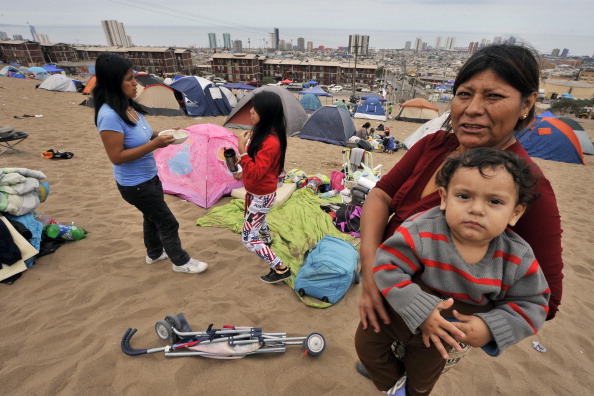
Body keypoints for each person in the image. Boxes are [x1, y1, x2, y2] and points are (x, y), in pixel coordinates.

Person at [356, 43, 563, 389]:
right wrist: (372, 272)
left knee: (419, 379)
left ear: (526, 104)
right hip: (390, 292)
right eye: (464, 94)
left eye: (493, 96)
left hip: (445, 326)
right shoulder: (435, 144)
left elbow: (547, 297)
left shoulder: (527, 186)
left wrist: (480, 324)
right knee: (372, 352)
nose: (473, 109)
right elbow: (380, 195)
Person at [356, 147, 550, 395]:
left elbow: (533, 304)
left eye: (495, 201)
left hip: (442, 336)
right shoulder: (423, 229)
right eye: (464, 196)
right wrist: (421, 308)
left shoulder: (516, 257)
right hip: (394, 314)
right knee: (366, 348)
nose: (477, 209)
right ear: (445, 198)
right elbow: (387, 264)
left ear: (515, 212)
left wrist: (490, 328)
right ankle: (392, 385)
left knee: (422, 381)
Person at [93, 53, 207, 274]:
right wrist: (155, 144)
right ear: (112, 82)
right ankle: (181, 262)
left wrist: (166, 135)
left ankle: (154, 254)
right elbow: (116, 156)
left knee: (151, 218)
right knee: (168, 223)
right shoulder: (108, 115)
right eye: (128, 79)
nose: (135, 83)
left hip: (149, 178)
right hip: (135, 185)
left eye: (133, 77)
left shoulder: (127, 106)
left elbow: (143, 133)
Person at [234, 91, 289, 284]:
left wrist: (242, 151)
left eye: (255, 108)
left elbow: (257, 172)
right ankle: (265, 239)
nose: (250, 111)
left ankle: (280, 268)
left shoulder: (271, 142)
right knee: (260, 219)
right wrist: (244, 170)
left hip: (262, 196)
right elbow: (257, 167)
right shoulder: (263, 133)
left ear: (265, 112)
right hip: (258, 193)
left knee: (248, 239)